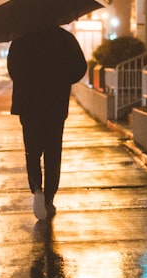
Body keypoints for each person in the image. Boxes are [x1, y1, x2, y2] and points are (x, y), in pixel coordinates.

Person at [7, 26, 87, 219]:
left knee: (32, 151)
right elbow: (80, 68)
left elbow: (12, 70)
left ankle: (37, 189)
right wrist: (62, 80)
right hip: (55, 103)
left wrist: (27, 82)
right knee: (53, 153)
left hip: (28, 105)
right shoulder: (65, 38)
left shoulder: (20, 39)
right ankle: (49, 199)